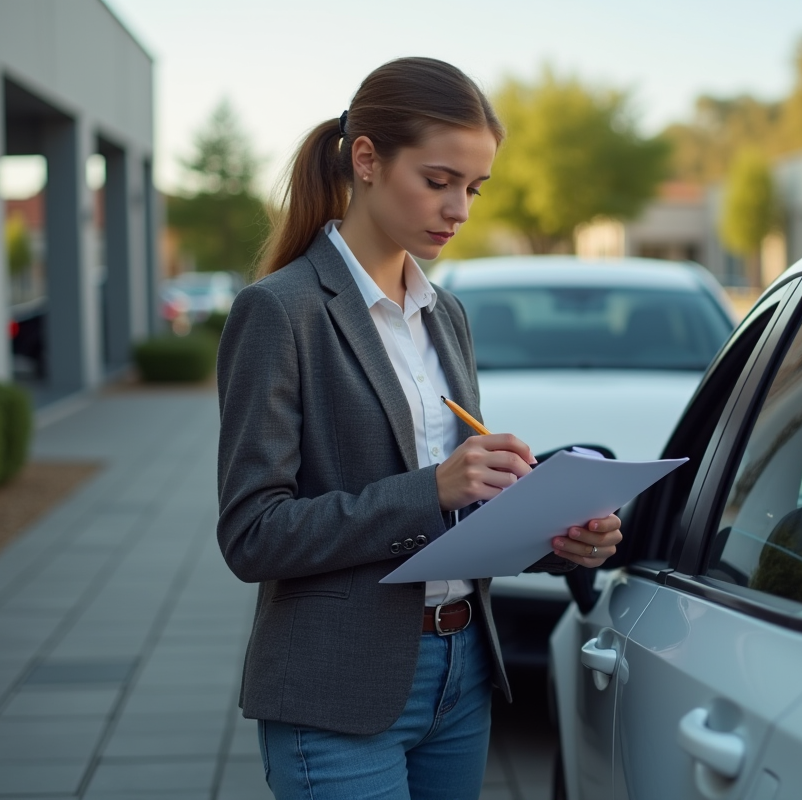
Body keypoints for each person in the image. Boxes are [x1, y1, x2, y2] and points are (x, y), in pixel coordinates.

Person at [215, 57, 623, 800]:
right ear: (366, 159)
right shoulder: (281, 312)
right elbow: (253, 534)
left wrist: (556, 540)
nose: (460, 208)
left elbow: (455, 522)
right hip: (339, 688)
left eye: (473, 187)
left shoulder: (446, 315)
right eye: (438, 181)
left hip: (462, 672)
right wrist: (432, 488)